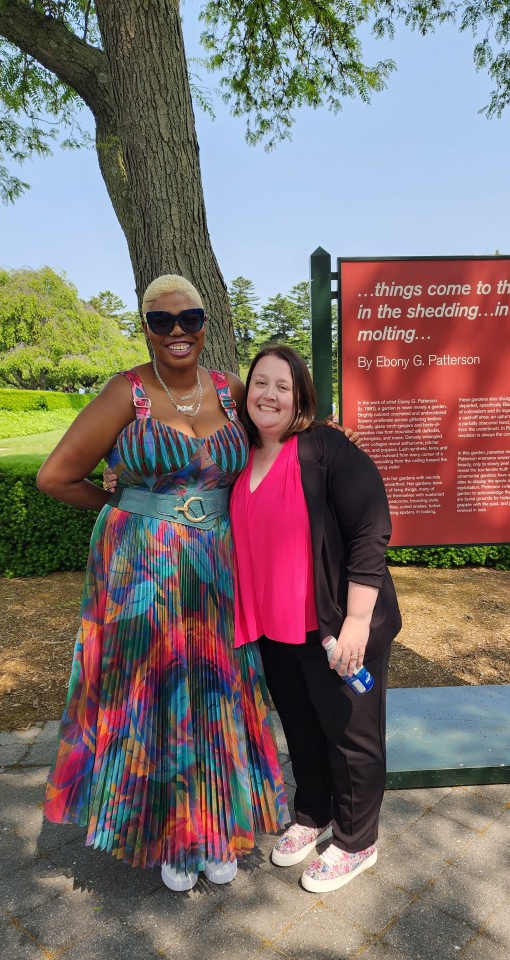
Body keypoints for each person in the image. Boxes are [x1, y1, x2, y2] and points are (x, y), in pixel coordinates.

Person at [37, 275, 289, 891]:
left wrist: (335, 441)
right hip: (143, 571)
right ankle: (171, 837)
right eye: (162, 321)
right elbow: (56, 476)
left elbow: (285, 442)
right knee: (155, 693)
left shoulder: (231, 390)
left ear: (204, 324)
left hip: (218, 567)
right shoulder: (124, 392)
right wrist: (125, 504)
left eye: (189, 318)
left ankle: (217, 826)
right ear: (146, 328)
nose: (178, 331)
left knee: (216, 689)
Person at [231, 345, 402, 893]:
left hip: (334, 626)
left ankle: (357, 841)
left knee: (352, 737)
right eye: (260, 383)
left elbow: (370, 529)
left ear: (301, 395)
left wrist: (357, 621)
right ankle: (313, 812)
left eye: (282, 386)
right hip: (273, 627)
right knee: (302, 729)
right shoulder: (240, 454)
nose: (269, 395)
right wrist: (121, 477)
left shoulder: (325, 448)